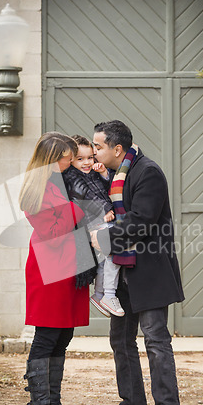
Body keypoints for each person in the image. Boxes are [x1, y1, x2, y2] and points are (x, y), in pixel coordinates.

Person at [90, 120, 185, 405]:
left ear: (117, 149)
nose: (94, 151)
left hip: (149, 272)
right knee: (120, 340)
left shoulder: (147, 172)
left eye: (98, 146)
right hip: (123, 272)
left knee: (156, 341)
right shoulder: (112, 176)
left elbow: (142, 220)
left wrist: (104, 238)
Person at [19, 132, 89, 405]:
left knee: (62, 336)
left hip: (68, 266)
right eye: (66, 156)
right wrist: (80, 205)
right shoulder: (38, 190)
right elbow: (54, 230)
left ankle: (54, 404)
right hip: (49, 269)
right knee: (46, 337)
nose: (71, 161)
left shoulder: (61, 182)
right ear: (51, 157)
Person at [62, 135, 124, 317]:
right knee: (113, 251)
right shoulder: (72, 178)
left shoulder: (93, 173)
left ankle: (98, 294)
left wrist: (104, 172)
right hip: (94, 222)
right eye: (80, 159)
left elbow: (106, 189)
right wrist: (103, 211)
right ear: (71, 159)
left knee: (106, 259)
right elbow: (83, 199)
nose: (87, 163)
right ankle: (109, 294)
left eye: (90, 157)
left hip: (104, 220)